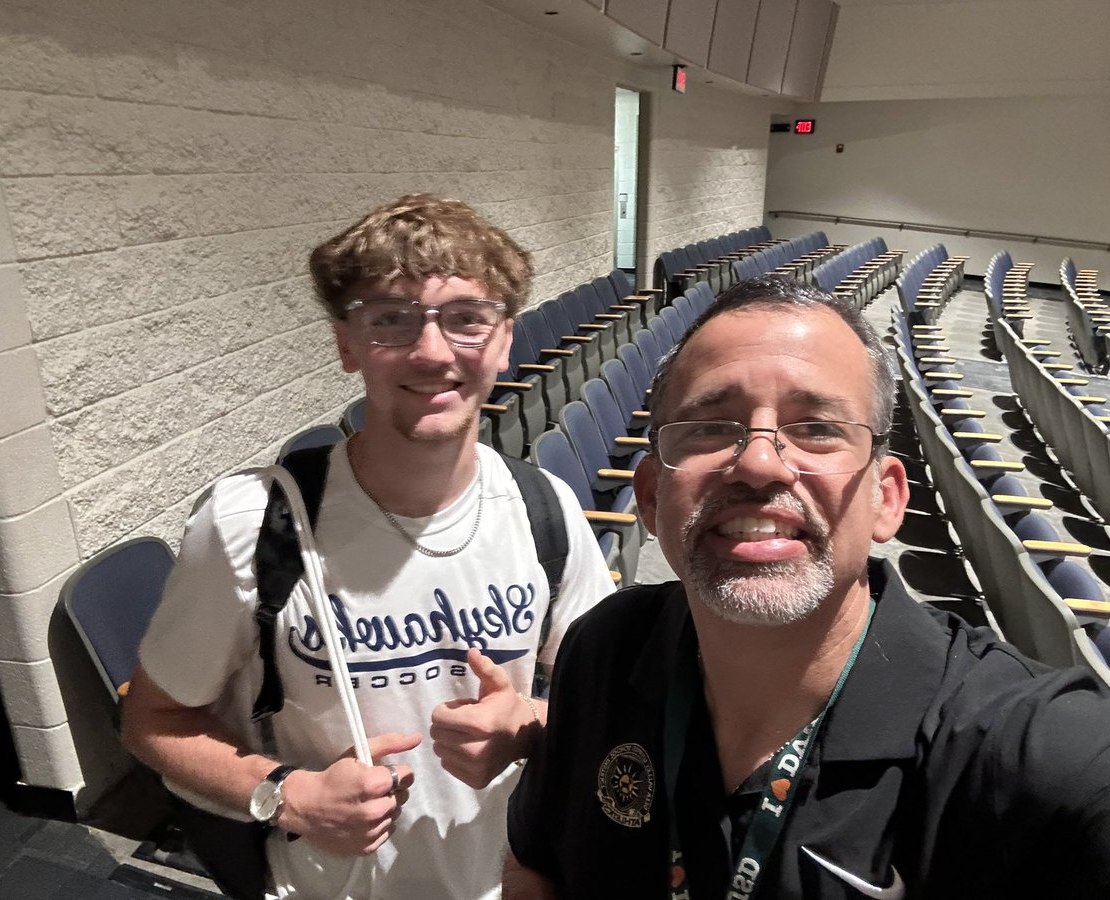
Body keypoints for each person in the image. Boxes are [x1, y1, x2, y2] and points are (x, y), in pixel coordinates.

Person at [504, 275, 1110, 899]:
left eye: (817, 427)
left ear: (886, 499)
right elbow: (535, 864)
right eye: (711, 426)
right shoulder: (604, 647)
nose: (759, 462)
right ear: (653, 497)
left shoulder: (1029, 753)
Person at [121, 193, 616, 900]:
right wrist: (285, 796)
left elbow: (602, 707)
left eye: (467, 319)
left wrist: (531, 724)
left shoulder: (546, 512)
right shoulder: (252, 523)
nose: (432, 351)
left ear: (505, 340)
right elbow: (151, 723)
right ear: (346, 344)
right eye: (391, 319)